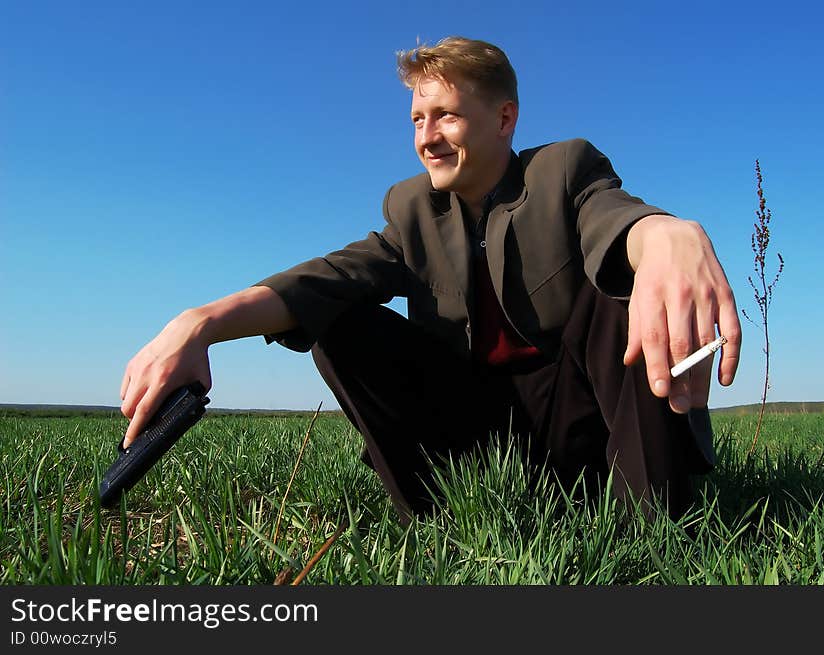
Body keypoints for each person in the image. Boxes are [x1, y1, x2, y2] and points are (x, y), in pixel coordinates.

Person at [119, 36, 741, 523]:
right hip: (482, 433)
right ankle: (444, 520)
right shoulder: (410, 209)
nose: (426, 138)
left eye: (444, 116)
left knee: (624, 287)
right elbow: (328, 278)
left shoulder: (563, 170)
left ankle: (652, 524)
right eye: (417, 119)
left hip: (581, 422)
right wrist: (198, 323)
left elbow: (614, 217)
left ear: (503, 118)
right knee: (341, 322)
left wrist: (667, 235)